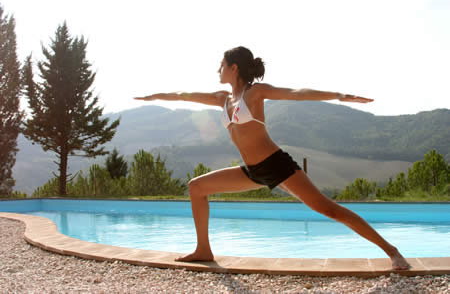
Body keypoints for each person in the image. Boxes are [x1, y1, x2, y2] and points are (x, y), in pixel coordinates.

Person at [134, 46, 410, 270]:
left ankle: (393, 251)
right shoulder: (222, 99)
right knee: (196, 187)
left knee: (328, 209)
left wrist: (340, 95)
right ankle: (203, 249)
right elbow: (184, 97)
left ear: (234, 68)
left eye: (221, 64)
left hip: (277, 165)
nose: (217, 70)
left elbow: (297, 93)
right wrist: (153, 96)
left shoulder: (255, 93)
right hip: (251, 170)